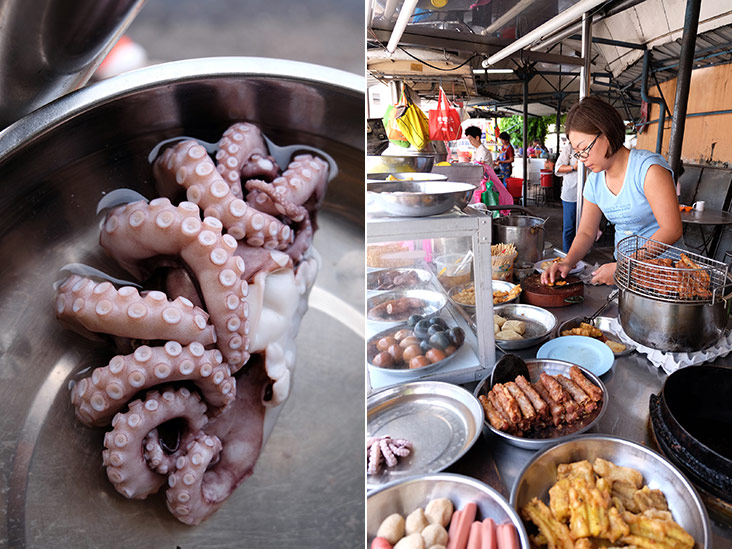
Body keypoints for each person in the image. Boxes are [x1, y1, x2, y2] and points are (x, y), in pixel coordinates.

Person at [542, 96, 682, 286]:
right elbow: (586, 232)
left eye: (584, 148)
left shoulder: (649, 170)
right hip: (626, 268)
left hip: (665, 271)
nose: (581, 158)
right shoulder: (594, 181)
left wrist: (625, 265)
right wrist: (567, 262)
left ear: (605, 134)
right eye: (577, 152)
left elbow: (671, 229)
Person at [554, 141, 579, 252]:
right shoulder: (569, 148)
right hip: (571, 194)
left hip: (587, 195)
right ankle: (567, 254)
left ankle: (579, 253)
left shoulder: (590, 147)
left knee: (585, 227)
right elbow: (558, 168)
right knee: (569, 227)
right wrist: (573, 167)